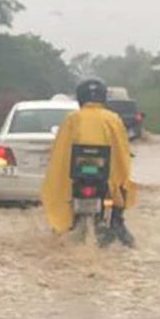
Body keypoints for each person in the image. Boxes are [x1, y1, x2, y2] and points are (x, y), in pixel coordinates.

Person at [41, 78, 137, 246]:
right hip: (105, 175)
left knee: (64, 190)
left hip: (77, 174)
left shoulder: (72, 118)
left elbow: (60, 149)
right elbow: (121, 148)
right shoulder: (112, 118)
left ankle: (66, 223)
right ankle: (117, 221)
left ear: (81, 98)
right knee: (122, 186)